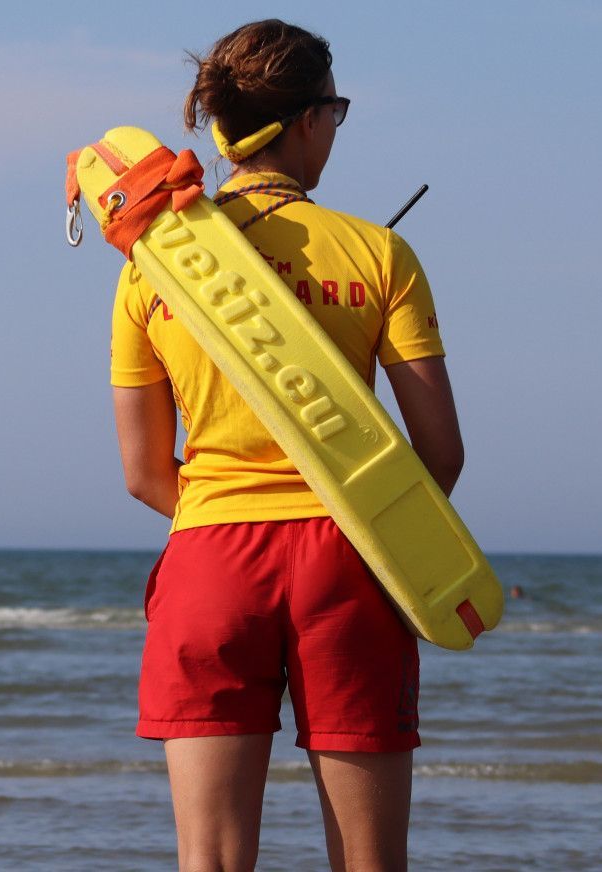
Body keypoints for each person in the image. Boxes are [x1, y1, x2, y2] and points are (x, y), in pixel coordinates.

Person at [108, 20, 463, 871]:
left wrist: (225, 515)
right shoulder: (381, 254)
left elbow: (144, 473)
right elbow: (440, 453)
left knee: (214, 861)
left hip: (209, 563)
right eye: (335, 112)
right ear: (307, 120)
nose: (334, 131)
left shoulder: (149, 265)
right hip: (347, 556)